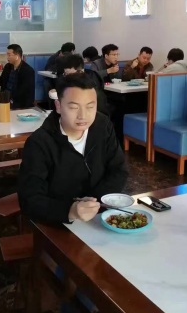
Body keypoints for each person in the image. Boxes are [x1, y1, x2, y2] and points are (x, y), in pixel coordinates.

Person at [18, 72, 127, 225]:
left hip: (99, 217)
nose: (83, 116)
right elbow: (30, 199)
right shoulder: (40, 143)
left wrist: (93, 203)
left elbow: (119, 170)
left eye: (90, 106)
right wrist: (71, 211)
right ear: (58, 106)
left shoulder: (103, 126)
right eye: (74, 107)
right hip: (58, 223)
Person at [0, 44, 35, 109]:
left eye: (9, 55)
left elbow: (24, 93)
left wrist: (10, 100)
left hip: (19, 103)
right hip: (5, 99)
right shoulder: (7, 67)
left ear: (17, 56)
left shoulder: (28, 71)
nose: (7, 57)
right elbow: (2, 82)